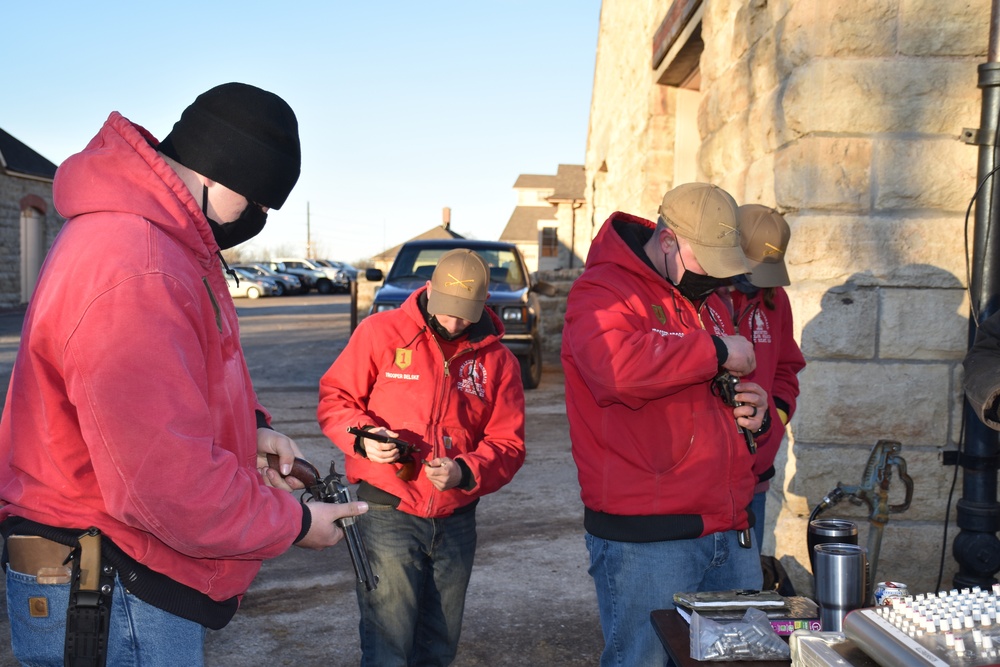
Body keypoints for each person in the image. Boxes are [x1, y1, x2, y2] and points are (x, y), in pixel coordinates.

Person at [0, 83, 367, 666]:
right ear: (225, 170)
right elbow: (165, 486)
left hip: (117, 567)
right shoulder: (138, 265)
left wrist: (249, 433)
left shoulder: (156, 242)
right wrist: (293, 524)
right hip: (110, 581)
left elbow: (172, 390)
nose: (259, 220)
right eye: (261, 204)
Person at [562, 182, 770, 666]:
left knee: (740, 658)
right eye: (708, 261)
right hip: (649, 541)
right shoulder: (602, 291)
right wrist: (717, 350)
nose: (717, 278)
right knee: (643, 659)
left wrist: (749, 412)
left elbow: (699, 394)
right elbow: (616, 370)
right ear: (669, 241)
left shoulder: (709, 304)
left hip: (730, 527)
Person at [318, 249, 526, 666]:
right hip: (386, 512)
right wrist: (363, 439)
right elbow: (335, 399)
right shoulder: (380, 332)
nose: (453, 323)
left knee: (439, 644)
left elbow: (509, 443)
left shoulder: (498, 361)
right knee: (388, 644)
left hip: (456, 520)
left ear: (484, 304)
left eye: (465, 314)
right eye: (447, 309)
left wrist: (466, 470)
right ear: (428, 290)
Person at [730, 205, 806, 552]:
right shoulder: (696, 298)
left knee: (746, 594)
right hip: (702, 482)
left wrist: (775, 417)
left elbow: (787, 368)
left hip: (755, 476)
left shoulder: (775, 297)